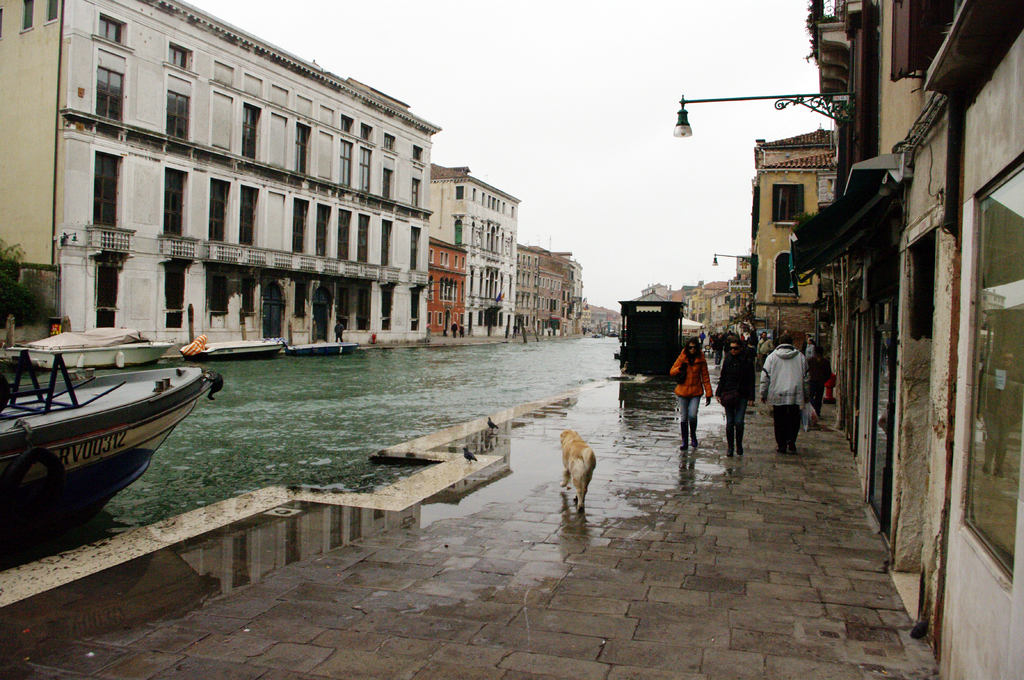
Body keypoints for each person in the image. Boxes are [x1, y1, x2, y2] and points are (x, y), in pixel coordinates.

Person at [760, 333, 810, 454]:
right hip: (795, 392)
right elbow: (806, 378)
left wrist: (763, 393)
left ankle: (781, 444)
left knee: (779, 419)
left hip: (778, 392)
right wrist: (806, 394)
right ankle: (791, 440)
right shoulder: (800, 357)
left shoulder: (772, 357)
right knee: (794, 418)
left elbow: (765, 376)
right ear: (792, 343)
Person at [670, 337, 713, 451]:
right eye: (690, 348)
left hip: (695, 391)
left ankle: (693, 435)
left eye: (694, 348)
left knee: (693, 415)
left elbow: (705, 377)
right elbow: (672, 371)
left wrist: (709, 393)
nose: (692, 350)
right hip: (682, 391)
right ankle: (685, 440)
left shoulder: (701, 359)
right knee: (684, 416)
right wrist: (680, 368)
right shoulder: (682, 357)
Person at [716, 335, 755, 456]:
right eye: (731, 348)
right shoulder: (727, 360)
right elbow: (723, 376)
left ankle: (739, 444)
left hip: (742, 394)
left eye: (735, 348)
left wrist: (751, 397)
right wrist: (718, 392)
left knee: (739, 422)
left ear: (741, 348)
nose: (733, 350)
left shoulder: (747, 361)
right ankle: (730, 447)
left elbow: (751, 379)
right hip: (728, 392)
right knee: (730, 422)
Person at [807, 345, 832, 419]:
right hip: (821, 382)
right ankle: (817, 412)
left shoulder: (810, 360)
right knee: (819, 398)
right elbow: (828, 374)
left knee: (811, 397)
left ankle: (811, 412)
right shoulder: (825, 361)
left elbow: (805, 370)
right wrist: (824, 380)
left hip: (812, 381)